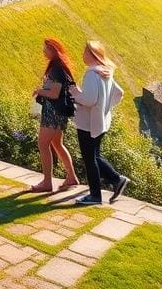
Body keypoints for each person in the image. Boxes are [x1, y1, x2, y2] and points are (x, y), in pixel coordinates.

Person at [69, 40, 127, 205]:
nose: (83, 55)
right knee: (95, 156)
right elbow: (119, 94)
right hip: (101, 122)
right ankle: (117, 180)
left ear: (92, 54)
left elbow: (89, 99)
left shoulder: (92, 73)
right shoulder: (106, 72)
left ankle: (95, 195)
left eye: (85, 52)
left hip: (88, 123)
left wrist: (75, 94)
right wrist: (105, 108)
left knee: (89, 159)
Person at [29, 38, 80, 193]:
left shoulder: (56, 69)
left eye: (46, 49)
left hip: (53, 113)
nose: (43, 51)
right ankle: (71, 177)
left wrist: (39, 91)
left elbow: (54, 93)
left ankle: (47, 182)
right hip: (59, 113)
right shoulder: (59, 66)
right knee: (57, 144)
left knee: (43, 144)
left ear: (53, 50)